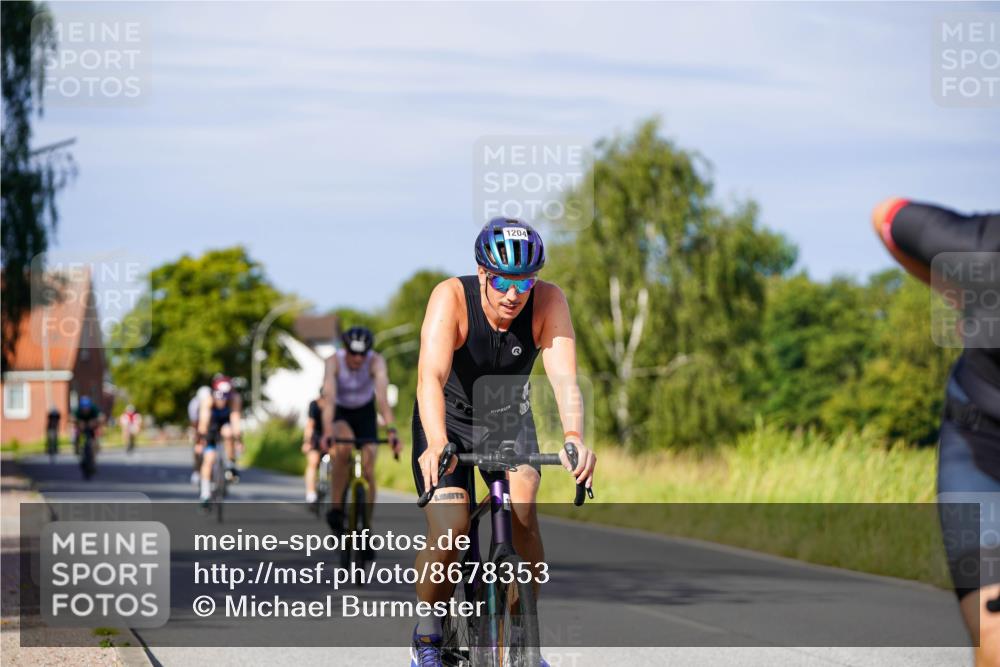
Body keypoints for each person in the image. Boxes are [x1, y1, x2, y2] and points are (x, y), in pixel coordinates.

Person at [408, 217, 596, 667]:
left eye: (525, 281)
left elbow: (566, 379)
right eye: (502, 281)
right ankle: (429, 634)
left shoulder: (549, 301)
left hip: (506, 417)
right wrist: (436, 441)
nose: (514, 294)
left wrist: (574, 437)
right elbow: (429, 378)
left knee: (524, 509)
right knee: (451, 527)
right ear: (481, 274)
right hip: (446, 419)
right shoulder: (450, 297)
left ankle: (523, 637)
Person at [872, 198, 1000, 667]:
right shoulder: (978, 250)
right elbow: (886, 215)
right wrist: (946, 284)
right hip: (983, 449)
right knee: (995, 634)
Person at [321, 326, 402, 533]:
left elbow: (383, 399)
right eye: (353, 353)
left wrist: (392, 430)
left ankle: (366, 524)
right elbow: (329, 399)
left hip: (365, 412)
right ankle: (337, 510)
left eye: (362, 354)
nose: (358, 359)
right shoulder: (333, 361)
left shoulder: (376, 361)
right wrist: (327, 431)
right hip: (341, 412)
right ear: (345, 349)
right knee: (343, 450)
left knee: (368, 469)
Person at [196, 375, 243, 507]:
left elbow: (236, 421)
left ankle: (230, 464)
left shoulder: (235, 398)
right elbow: (203, 423)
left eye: (225, 398)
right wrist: (200, 441)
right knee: (209, 459)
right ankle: (205, 494)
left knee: (228, 434)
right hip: (212, 424)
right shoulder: (208, 400)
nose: (222, 401)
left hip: (226, 422)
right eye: (219, 397)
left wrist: (239, 440)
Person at [302, 388, 327, 504]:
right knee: (313, 461)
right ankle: (311, 493)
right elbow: (310, 424)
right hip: (317, 435)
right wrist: (307, 442)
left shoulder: (337, 404)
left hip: (331, 435)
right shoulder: (314, 405)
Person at [188, 386, 211, 485]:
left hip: (211, 424)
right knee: (197, 448)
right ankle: (197, 470)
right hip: (197, 424)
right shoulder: (194, 405)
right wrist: (198, 436)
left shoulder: (212, 402)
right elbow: (194, 422)